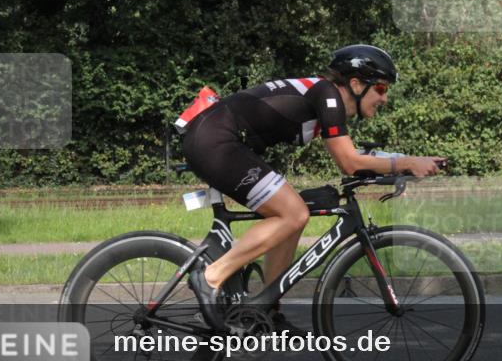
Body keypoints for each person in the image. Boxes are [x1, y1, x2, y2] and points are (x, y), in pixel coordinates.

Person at [181, 44, 444, 332]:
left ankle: (266, 309)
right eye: (381, 88)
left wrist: (403, 165)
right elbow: (349, 162)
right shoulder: (328, 95)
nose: (385, 97)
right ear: (355, 83)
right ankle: (211, 277)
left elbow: (355, 156)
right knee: (292, 213)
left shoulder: (327, 99)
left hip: (220, 139)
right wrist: (405, 162)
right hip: (216, 141)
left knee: (294, 214)